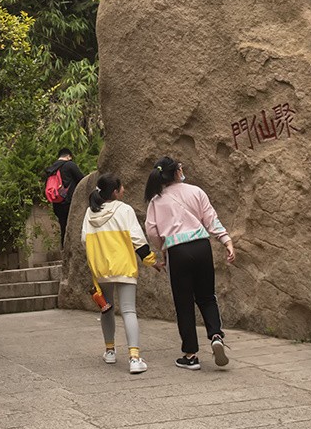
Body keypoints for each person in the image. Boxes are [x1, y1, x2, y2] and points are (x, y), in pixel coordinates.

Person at [144, 156, 236, 371]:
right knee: (207, 297)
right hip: (202, 247)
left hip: (178, 251)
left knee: (183, 303)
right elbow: (211, 219)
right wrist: (227, 241)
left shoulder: (156, 201)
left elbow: (151, 230)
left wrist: (163, 248)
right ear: (177, 172)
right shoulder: (196, 191)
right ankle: (215, 335)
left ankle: (191, 355)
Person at [82, 173, 157, 374]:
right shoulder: (125, 210)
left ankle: (110, 351)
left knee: (106, 309)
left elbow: (84, 240)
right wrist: (151, 261)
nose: (124, 190)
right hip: (123, 266)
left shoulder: (90, 213)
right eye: (121, 188)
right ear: (115, 192)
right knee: (128, 310)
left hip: (101, 269)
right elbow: (138, 240)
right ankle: (134, 358)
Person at [44, 148, 84, 246]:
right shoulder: (70, 165)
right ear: (68, 156)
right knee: (75, 228)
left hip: (57, 203)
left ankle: (64, 250)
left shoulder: (51, 169)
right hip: (70, 202)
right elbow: (82, 180)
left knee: (63, 227)